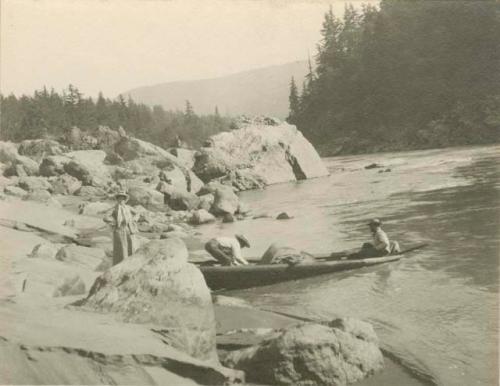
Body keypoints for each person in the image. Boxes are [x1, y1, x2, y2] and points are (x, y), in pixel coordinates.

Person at [106, 190, 138, 265]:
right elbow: (106, 217)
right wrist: (114, 221)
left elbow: (137, 213)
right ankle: (120, 264)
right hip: (119, 229)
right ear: (117, 199)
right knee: (121, 247)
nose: (121, 200)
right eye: (120, 198)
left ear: (125, 200)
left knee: (130, 245)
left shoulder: (128, 207)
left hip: (128, 228)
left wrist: (134, 219)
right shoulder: (115, 208)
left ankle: (130, 263)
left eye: (123, 199)